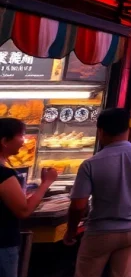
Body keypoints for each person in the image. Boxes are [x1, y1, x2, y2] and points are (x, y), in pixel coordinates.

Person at [65, 108, 131, 277]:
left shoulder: (90, 164)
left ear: (101, 131)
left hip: (100, 231)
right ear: (128, 129)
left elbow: (78, 205)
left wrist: (71, 230)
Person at [0, 118, 57, 277]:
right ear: (5, 141)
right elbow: (23, 211)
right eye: (21, 136)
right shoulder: (4, 174)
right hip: (3, 245)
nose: (24, 141)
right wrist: (46, 183)